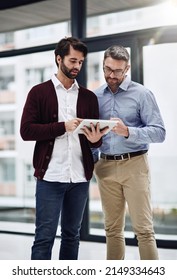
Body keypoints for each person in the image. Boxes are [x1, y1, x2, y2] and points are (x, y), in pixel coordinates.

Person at [20, 37, 106, 260]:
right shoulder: (38, 93)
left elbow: (94, 142)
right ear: (59, 59)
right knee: (44, 237)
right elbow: (26, 131)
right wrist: (62, 126)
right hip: (50, 177)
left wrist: (96, 139)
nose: (77, 66)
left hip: (79, 178)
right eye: (72, 60)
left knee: (71, 236)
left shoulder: (88, 97)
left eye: (81, 62)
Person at [93, 45, 166, 260]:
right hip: (105, 166)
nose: (111, 75)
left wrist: (127, 131)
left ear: (127, 69)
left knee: (143, 230)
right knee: (112, 230)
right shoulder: (95, 96)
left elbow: (160, 133)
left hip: (135, 165)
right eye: (107, 69)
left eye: (117, 71)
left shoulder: (142, 94)